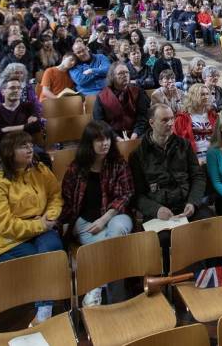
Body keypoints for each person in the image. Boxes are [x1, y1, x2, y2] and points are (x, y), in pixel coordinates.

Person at [0, 130, 63, 327]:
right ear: (9, 152)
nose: (30, 149)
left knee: (53, 250)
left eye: (31, 145)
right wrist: (40, 225)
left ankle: (44, 307)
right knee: (38, 262)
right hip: (8, 240)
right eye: (23, 146)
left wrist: (50, 216)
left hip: (41, 227)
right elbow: (4, 225)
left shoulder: (40, 169)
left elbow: (55, 195)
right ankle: (45, 310)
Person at [59, 120, 134, 307]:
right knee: (112, 250)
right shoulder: (76, 168)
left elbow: (126, 194)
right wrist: (66, 227)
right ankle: (117, 302)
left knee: (114, 237)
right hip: (84, 222)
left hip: (117, 216)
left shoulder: (118, 164)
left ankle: (96, 287)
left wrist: (104, 219)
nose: (105, 143)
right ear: (89, 143)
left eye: (107, 139)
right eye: (99, 140)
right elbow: (67, 199)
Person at [128, 104, 210, 223]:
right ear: (151, 123)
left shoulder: (184, 145)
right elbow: (137, 194)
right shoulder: (137, 155)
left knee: (207, 225)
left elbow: (198, 176)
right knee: (163, 239)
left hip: (186, 203)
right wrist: (156, 210)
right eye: (165, 120)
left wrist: (193, 202)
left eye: (172, 118)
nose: (171, 123)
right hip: (159, 210)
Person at [0, 78, 44, 154]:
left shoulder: (29, 106)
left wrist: (6, 129)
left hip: (26, 145)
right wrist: (25, 126)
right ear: (3, 92)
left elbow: (37, 126)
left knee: (44, 157)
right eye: (12, 88)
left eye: (19, 88)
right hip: (4, 147)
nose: (16, 90)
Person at [92, 62, 149, 140]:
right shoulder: (102, 96)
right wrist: (116, 138)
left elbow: (143, 116)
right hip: (112, 135)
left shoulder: (137, 91)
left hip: (136, 133)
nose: (125, 75)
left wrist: (135, 134)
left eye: (127, 72)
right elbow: (100, 121)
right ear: (112, 76)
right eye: (121, 73)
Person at [173, 83, 217, 163]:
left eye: (207, 94)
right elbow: (177, 142)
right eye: (202, 94)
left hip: (214, 154)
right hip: (193, 157)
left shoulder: (213, 115)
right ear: (193, 97)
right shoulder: (182, 118)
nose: (206, 97)